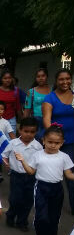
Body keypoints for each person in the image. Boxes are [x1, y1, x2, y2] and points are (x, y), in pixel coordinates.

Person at [16, 125, 74, 235]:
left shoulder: (64, 157)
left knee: (54, 219)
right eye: (50, 142)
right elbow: (31, 171)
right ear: (43, 141)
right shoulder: (37, 155)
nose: (53, 145)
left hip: (57, 189)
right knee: (42, 218)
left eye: (57, 143)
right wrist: (23, 161)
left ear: (62, 143)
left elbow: (69, 175)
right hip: (42, 188)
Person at [42, 68, 74, 214]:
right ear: (56, 81)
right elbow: (47, 120)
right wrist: (55, 140)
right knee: (52, 174)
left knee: (71, 175)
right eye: (61, 79)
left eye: (68, 78)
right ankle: (47, 205)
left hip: (73, 142)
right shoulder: (50, 98)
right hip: (58, 143)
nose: (65, 82)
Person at [1, 117, 42, 232]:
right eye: (26, 131)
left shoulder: (38, 146)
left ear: (36, 132)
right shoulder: (13, 143)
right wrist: (7, 164)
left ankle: (22, 221)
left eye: (32, 132)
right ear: (20, 130)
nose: (28, 134)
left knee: (28, 200)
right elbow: (4, 155)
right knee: (15, 198)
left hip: (31, 176)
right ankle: (11, 215)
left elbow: (40, 161)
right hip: (16, 176)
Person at [24, 68, 50, 140]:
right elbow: (27, 110)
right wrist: (24, 125)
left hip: (50, 121)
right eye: (38, 76)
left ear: (47, 76)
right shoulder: (31, 92)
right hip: (36, 122)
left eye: (43, 76)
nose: (41, 78)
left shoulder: (52, 91)